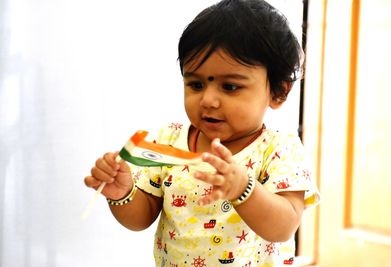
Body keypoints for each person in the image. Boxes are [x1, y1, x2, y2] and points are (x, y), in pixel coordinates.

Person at [84, 0, 320, 266]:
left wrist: (244, 189)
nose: (208, 100)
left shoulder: (278, 148)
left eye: (230, 87)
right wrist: (122, 194)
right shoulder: (167, 142)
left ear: (279, 91)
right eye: (195, 84)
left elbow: (283, 227)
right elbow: (140, 219)